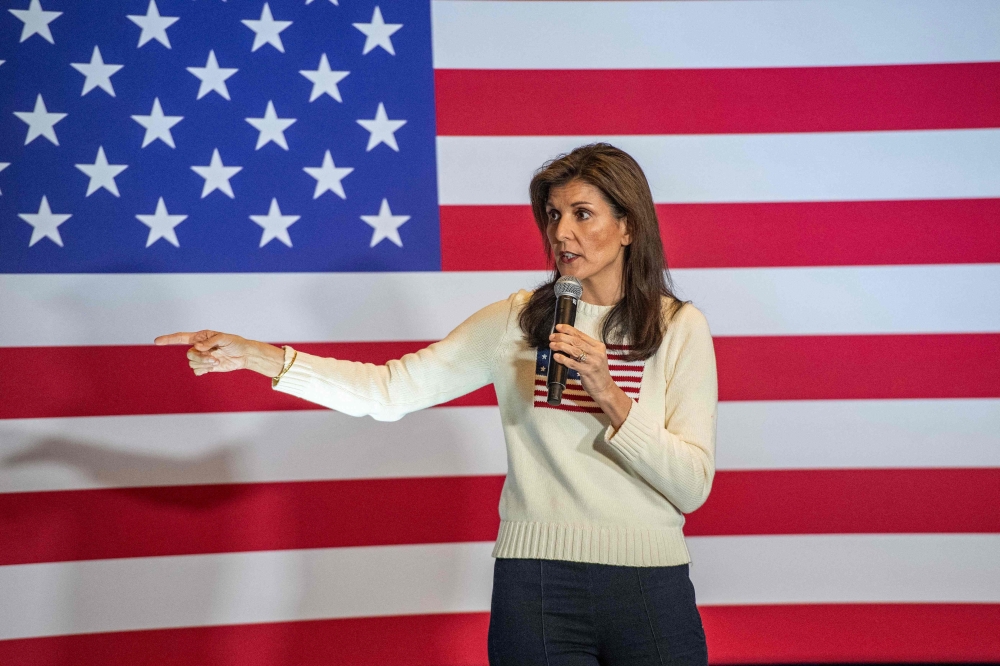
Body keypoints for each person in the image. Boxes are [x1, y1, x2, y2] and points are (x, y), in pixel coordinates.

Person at [156, 143, 718, 665]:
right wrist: (261, 357)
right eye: (553, 215)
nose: (561, 233)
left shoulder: (679, 328)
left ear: (628, 226)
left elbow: (691, 486)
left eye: (582, 214)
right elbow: (389, 390)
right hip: (540, 584)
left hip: (651, 585)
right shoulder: (519, 321)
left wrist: (610, 394)